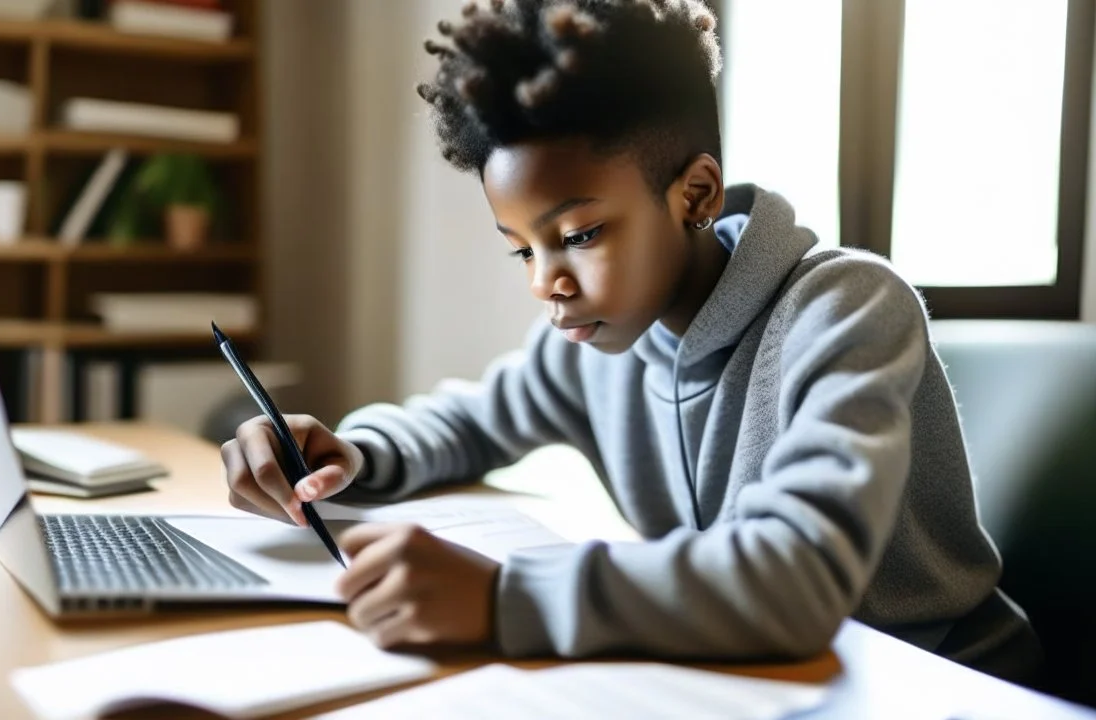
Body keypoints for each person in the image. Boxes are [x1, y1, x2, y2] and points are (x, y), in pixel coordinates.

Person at [221, 0, 1041, 684]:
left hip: (937, 682)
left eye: (578, 235)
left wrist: (505, 597)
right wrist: (350, 454)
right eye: (522, 248)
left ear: (696, 194)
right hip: (762, 676)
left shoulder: (848, 307)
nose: (545, 282)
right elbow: (470, 421)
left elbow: (800, 578)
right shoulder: (592, 343)